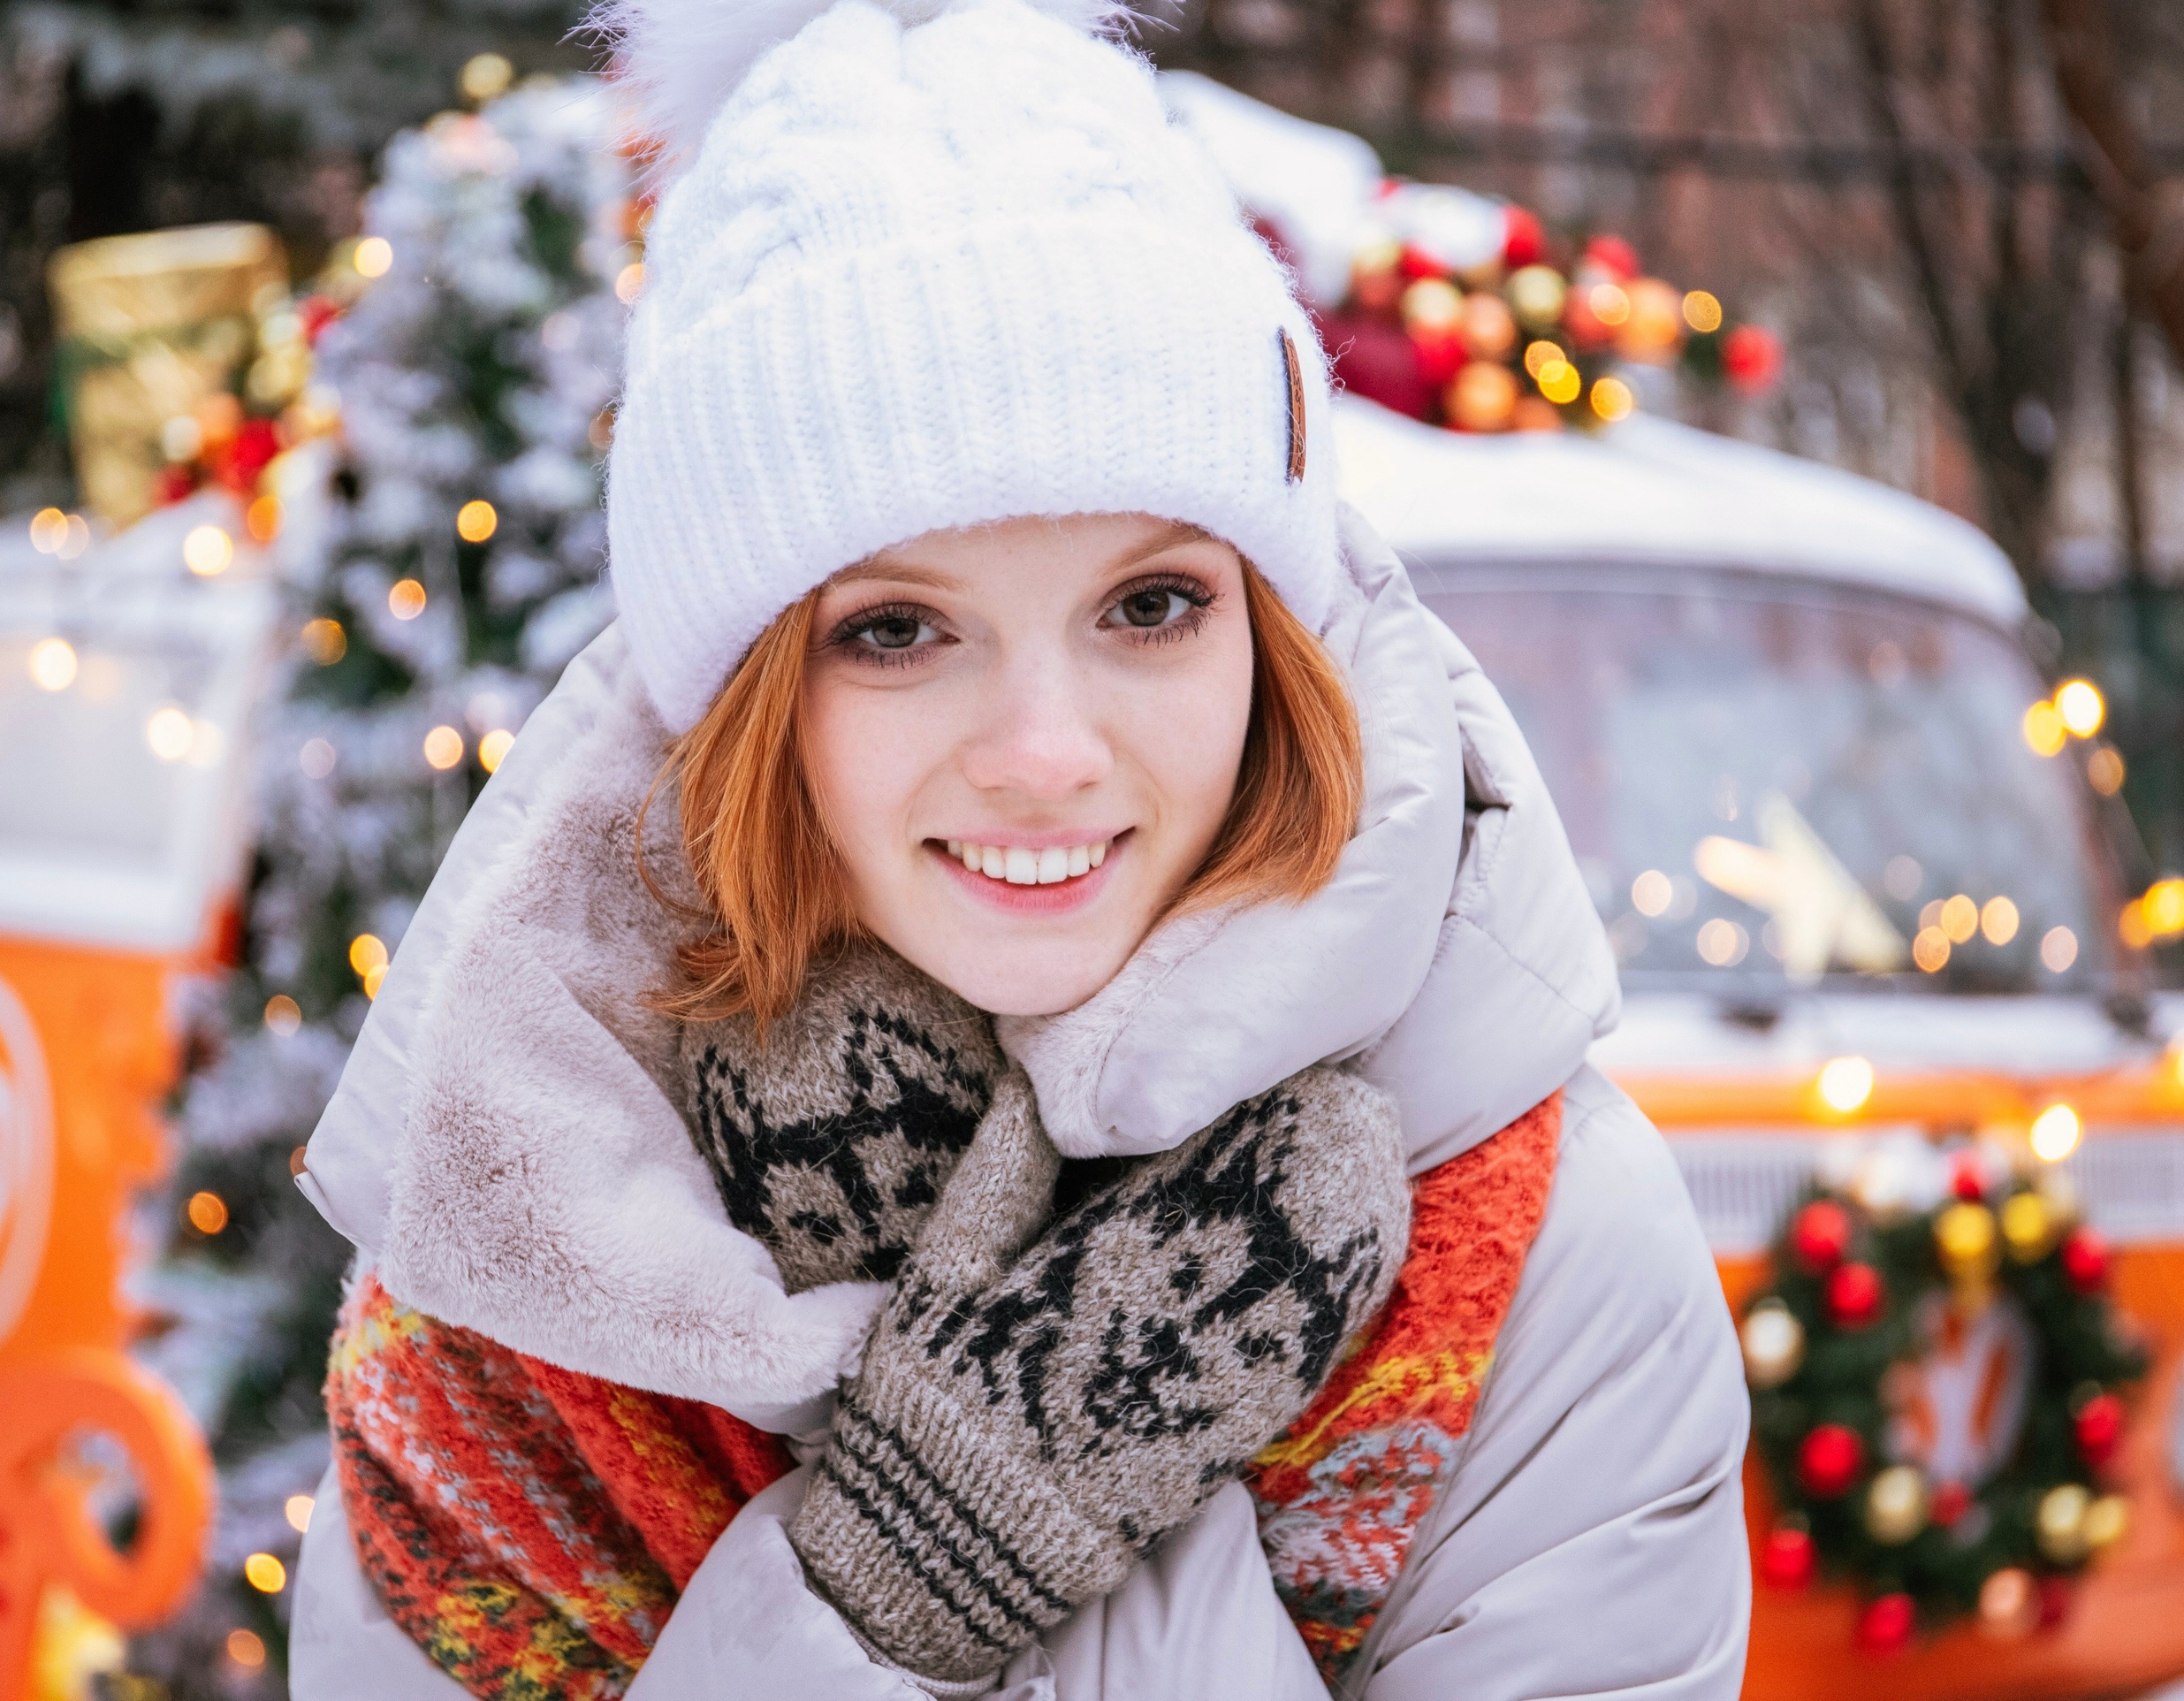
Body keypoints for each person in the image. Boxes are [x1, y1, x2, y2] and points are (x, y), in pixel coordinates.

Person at [285, 0, 1752, 1695]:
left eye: (1152, 605)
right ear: (745, 703)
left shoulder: (1544, 1272)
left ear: (1271, 635)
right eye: (898, 630)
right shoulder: (514, 1305)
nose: (1048, 756)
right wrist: (895, 1584)